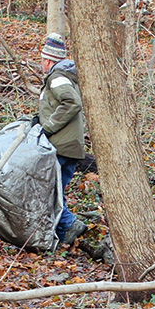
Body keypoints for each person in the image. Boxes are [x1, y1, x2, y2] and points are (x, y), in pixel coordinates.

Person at [37, 33, 87, 247]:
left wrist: (48, 126)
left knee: (49, 193)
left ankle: (69, 223)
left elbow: (72, 103)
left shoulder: (57, 77)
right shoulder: (64, 75)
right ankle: (62, 234)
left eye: (42, 59)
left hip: (60, 146)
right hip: (70, 145)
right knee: (57, 192)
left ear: (48, 60)